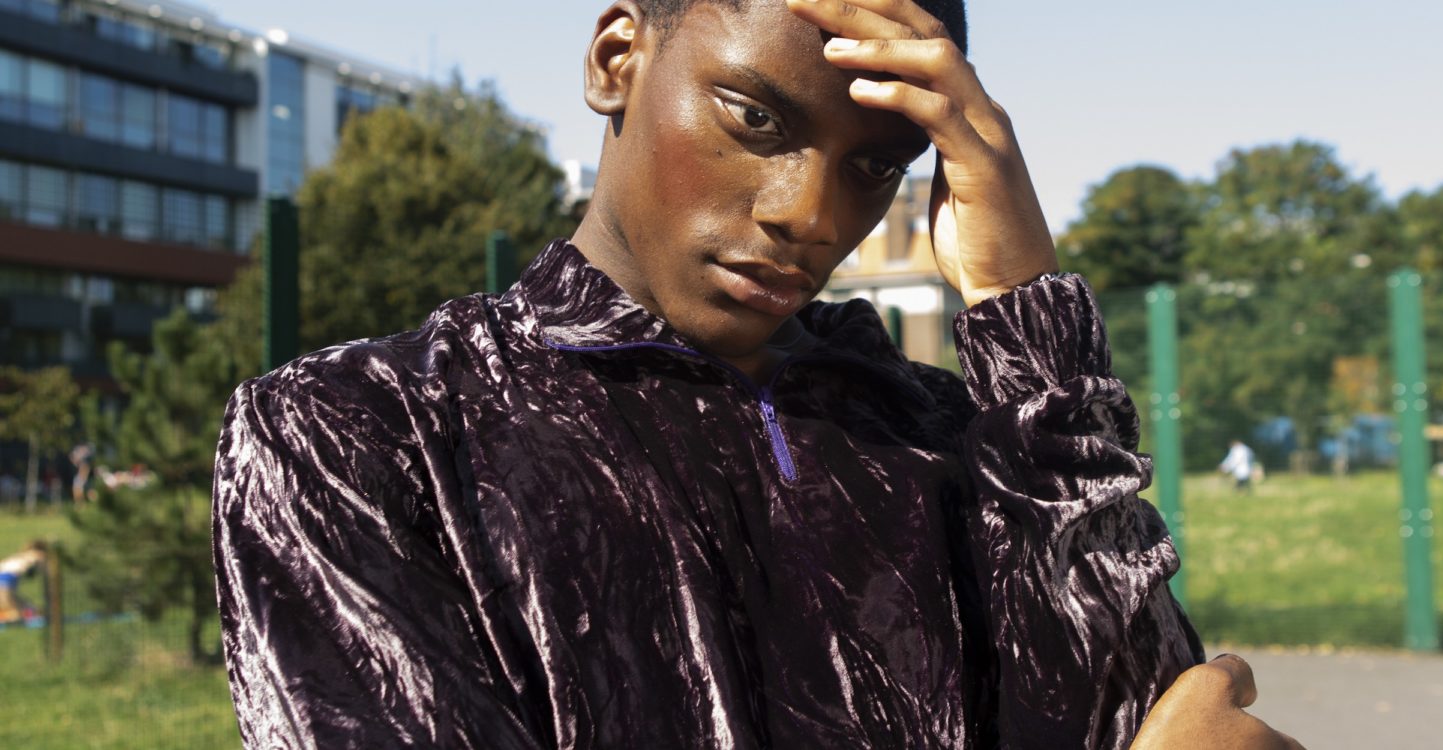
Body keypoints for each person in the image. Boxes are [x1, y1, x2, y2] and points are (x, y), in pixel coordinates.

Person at [213, 1, 1301, 747]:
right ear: (616, 59)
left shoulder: (952, 435)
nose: (811, 214)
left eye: (875, 165)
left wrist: (1024, 310)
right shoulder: (353, 434)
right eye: (757, 117)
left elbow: (1152, 715)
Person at [0, 541, 46, 623]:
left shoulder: (19, 557)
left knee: (25, 608)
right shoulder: (37, 555)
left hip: (7, 584)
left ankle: (36, 614)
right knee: (16, 614)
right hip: (4, 584)